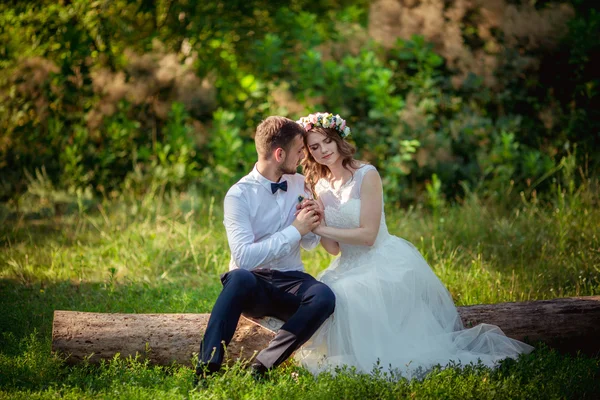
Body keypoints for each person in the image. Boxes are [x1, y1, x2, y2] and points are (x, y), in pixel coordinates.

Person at [293, 112, 534, 379]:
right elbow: (333, 249)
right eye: (314, 147)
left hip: (378, 260)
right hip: (346, 264)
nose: (323, 150)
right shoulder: (319, 184)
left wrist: (321, 227)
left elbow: (368, 236)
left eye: (327, 141)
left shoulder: (366, 175)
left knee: (350, 292)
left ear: (338, 139)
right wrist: (318, 217)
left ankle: (381, 358)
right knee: (330, 291)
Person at [195, 116, 336, 385]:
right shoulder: (239, 195)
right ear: (279, 154)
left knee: (323, 296)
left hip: (291, 279)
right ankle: (206, 370)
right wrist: (296, 228)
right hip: (253, 283)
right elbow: (245, 257)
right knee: (238, 277)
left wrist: (312, 220)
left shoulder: (297, 183)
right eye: (298, 151)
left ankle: (263, 365)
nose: (303, 157)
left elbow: (307, 243)